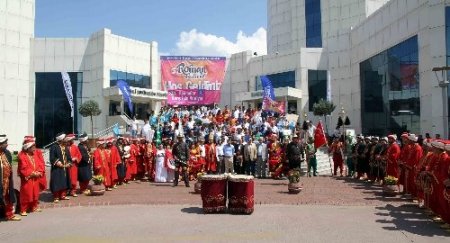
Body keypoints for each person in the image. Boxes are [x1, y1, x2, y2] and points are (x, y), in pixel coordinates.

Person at [18, 138, 44, 216]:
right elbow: (23, 168)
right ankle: (23, 209)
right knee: (26, 193)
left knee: (35, 192)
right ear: (28, 148)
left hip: (35, 177)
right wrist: (32, 173)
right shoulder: (22, 156)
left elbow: (40, 164)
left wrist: (39, 172)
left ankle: (34, 207)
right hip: (28, 179)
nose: (34, 149)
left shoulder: (34, 155)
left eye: (34, 146)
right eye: (33, 147)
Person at [0, 134, 21, 221]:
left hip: (7, 181)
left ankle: (10, 214)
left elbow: (9, 166)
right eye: (5, 143)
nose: (7, 144)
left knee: (8, 198)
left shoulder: (7, 153)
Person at [49, 133, 72, 202]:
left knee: (65, 181)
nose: (66, 139)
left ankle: (63, 195)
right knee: (57, 182)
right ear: (61, 139)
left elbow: (69, 157)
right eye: (64, 138)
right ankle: (56, 196)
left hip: (65, 168)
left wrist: (69, 163)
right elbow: (52, 157)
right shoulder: (54, 147)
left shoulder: (65, 147)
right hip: (57, 168)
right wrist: (57, 162)